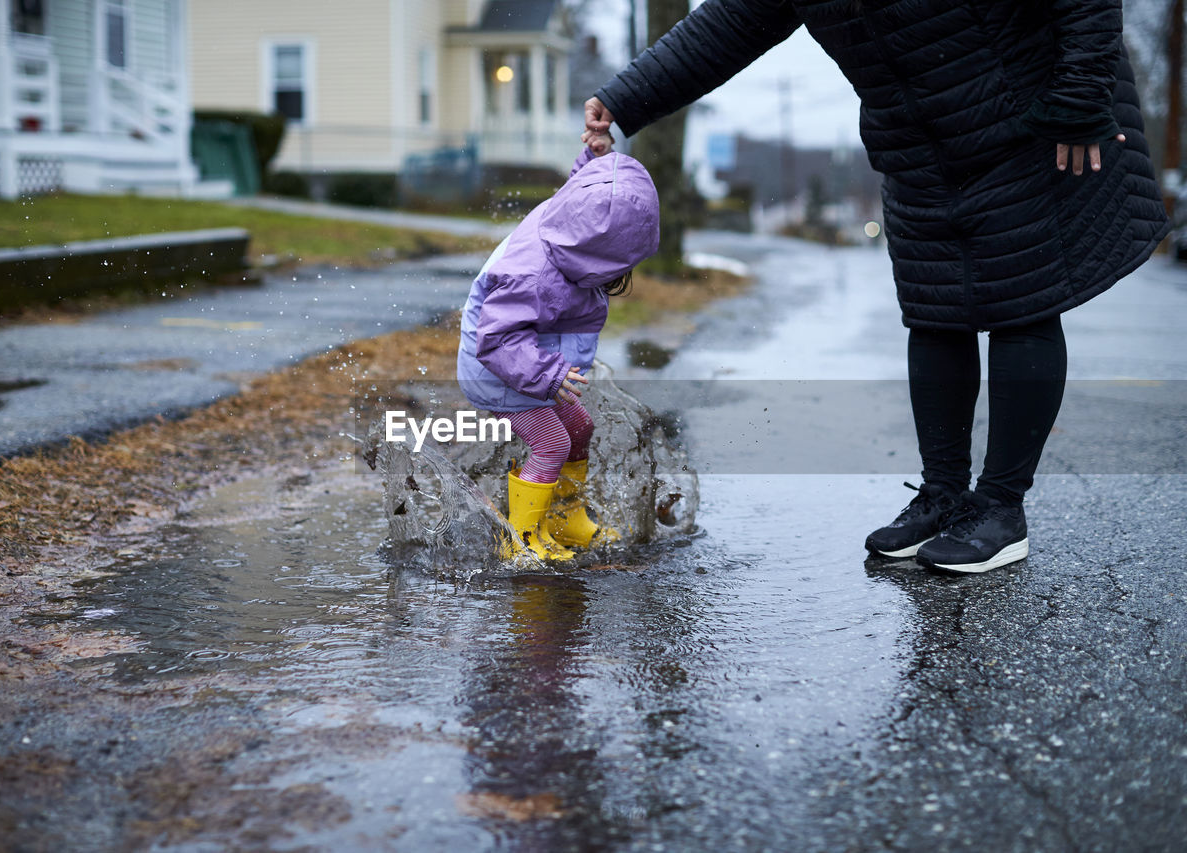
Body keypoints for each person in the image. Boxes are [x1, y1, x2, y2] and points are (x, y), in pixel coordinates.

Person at [583, 0, 1170, 574]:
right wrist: (624, 98)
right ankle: (943, 496)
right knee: (934, 312)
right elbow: (732, 21)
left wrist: (1078, 98)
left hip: (1019, 117)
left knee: (1024, 305)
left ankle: (999, 510)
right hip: (916, 144)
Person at [456, 134, 660, 560]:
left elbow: (584, 192)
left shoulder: (572, 218)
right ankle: (523, 538)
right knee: (552, 443)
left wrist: (593, 161)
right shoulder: (530, 275)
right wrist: (547, 375)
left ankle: (565, 518)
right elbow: (495, 338)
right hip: (500, 371)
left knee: (580, 428)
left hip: (531, 361)